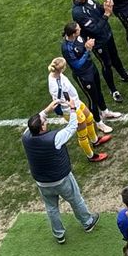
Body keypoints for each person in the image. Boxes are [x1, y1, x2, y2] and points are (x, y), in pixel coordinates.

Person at [22, 97, 99, 244]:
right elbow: (72, 127)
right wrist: (72, 109)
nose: (46, 121)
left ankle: (59, 235)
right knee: (75, 200)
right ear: (42, 128)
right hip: (61, 179)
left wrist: (47, 109)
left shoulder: (25, 137)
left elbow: (36, 122)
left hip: (42, 182)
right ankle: (87, 222)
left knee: (51, 208)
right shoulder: (55, 138)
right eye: (44, 122)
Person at [72, 0, 128, 99]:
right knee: (106, 64)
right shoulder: (78, 13)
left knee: (115, 56)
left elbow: (98, 8)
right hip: (98, 42)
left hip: (107, 34)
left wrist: (106, 6)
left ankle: (124, 75)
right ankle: (113, 91)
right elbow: (95, 29)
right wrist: (107, 14)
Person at [47, 57, 110, 163]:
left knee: (89, 117)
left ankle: (95, 141)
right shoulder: (57, 87)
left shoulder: (55, 74)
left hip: (76, 102)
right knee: (82, 132)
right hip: (70, 109)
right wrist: (71, 110)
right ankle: (91, 156)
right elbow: (60, 100)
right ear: (61, 69)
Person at [61, 21, 122, 124]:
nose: (81, 29)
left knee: (99, 92)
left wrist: (87, 45)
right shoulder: (67, 48)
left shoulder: (79, 37)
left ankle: (105, 112)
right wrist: (87, 50)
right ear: (73, 33)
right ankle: (98, 122)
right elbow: (77, 64)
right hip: (83, 75)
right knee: (92, 98)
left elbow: (83, 46)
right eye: (78, 29)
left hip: (91, 68)